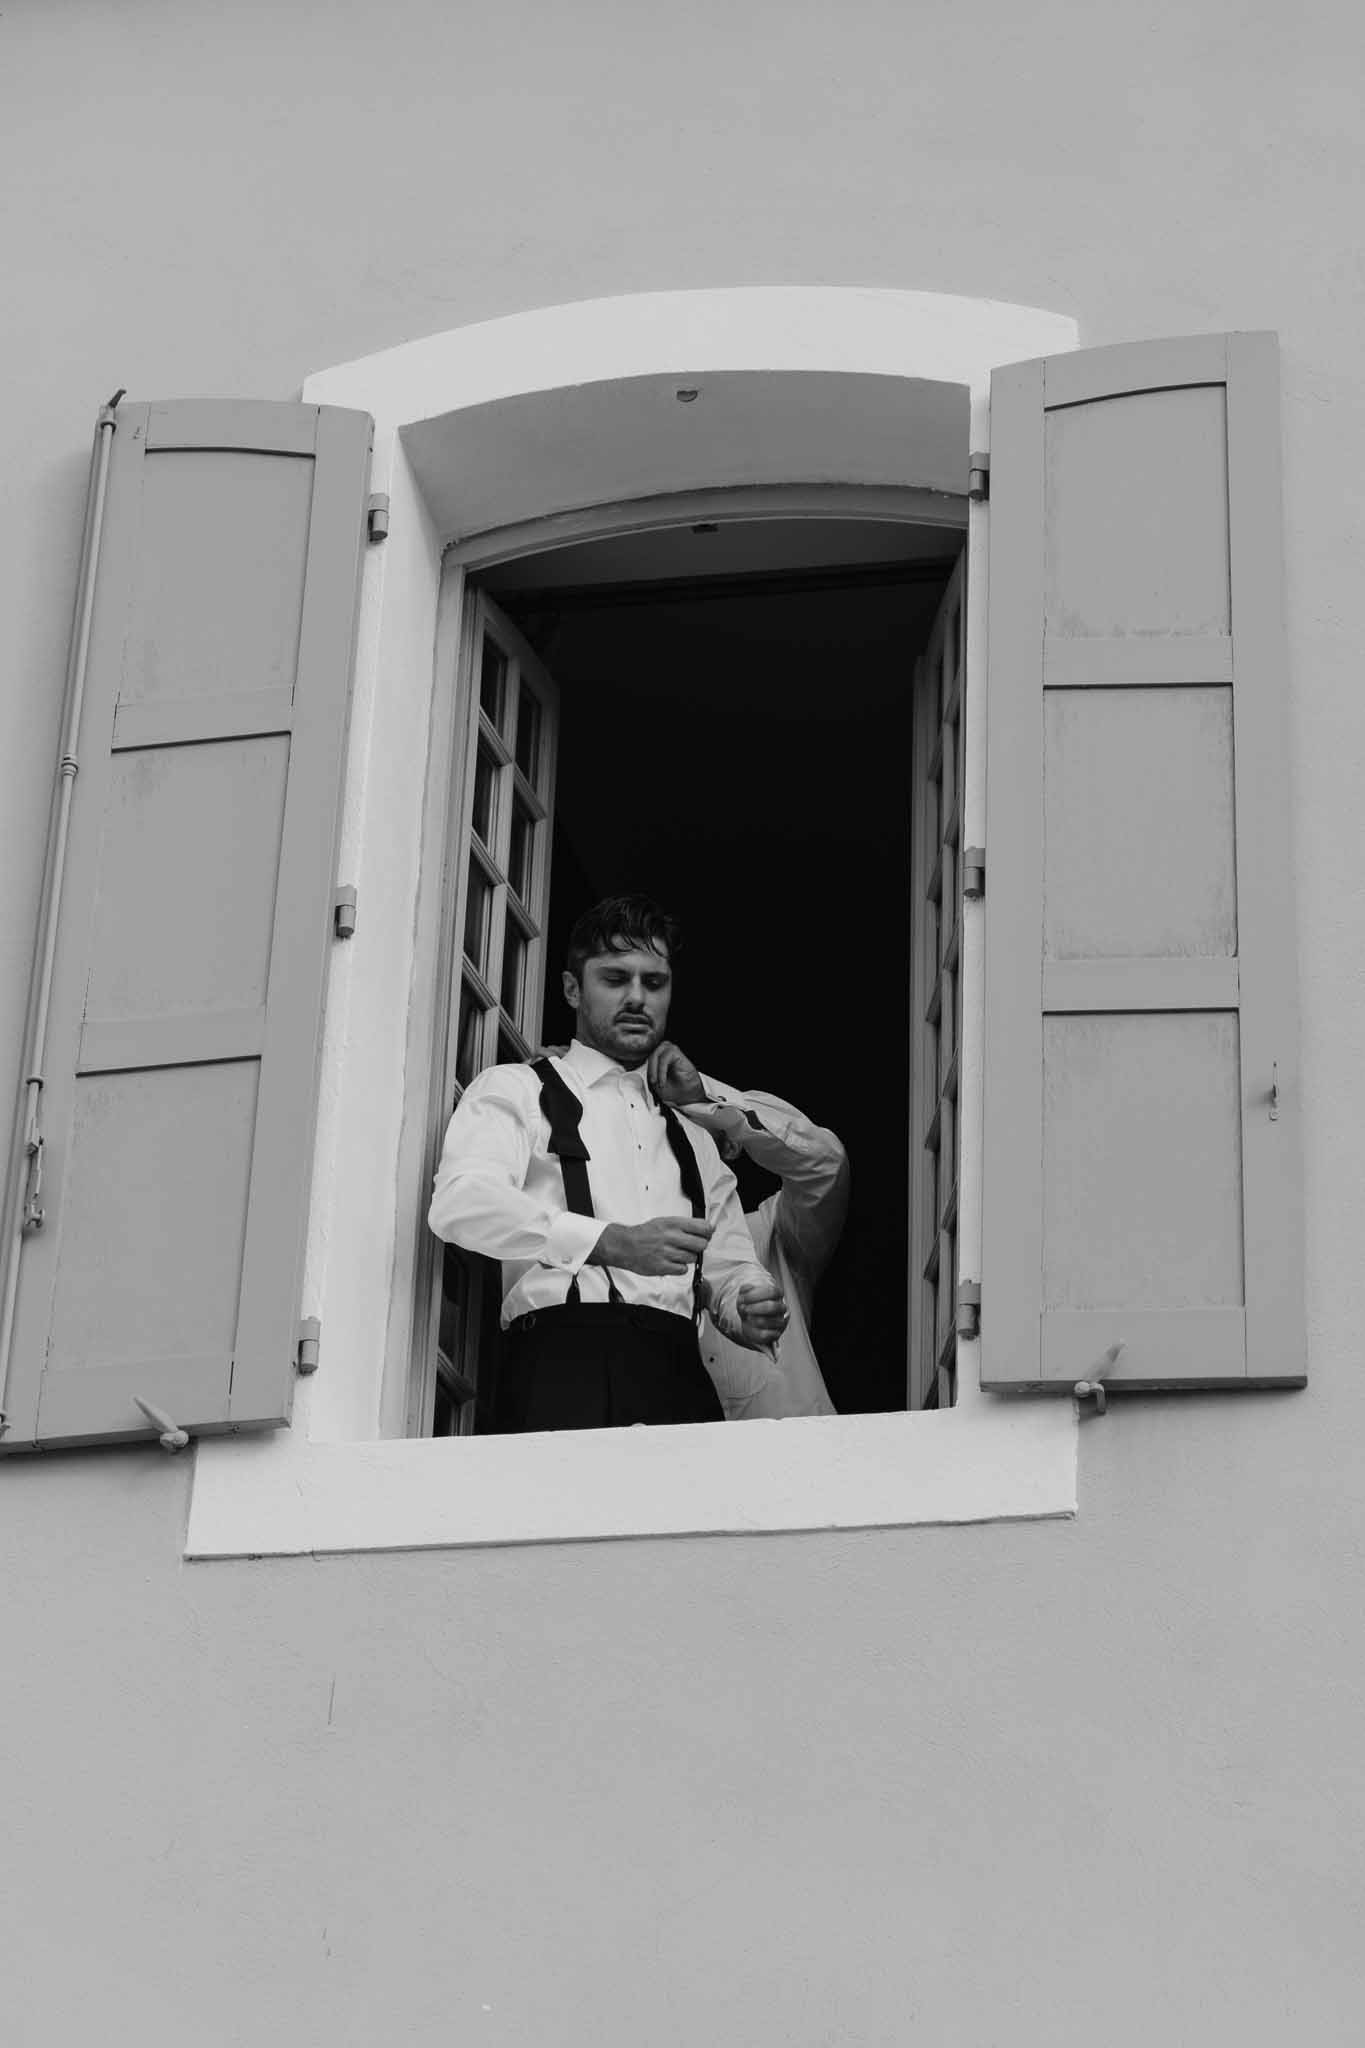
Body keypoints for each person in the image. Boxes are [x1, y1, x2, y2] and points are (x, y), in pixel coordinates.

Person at [427, 895, 787, 1433]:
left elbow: (728, 1265)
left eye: (654, 982)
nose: (637, 998)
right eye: (615, 979)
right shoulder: (518, 1088)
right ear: (573, 989)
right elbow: (461, 1203)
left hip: (679, 1376)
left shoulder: (694, 1134)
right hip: (560, 1366)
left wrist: (749, 1305)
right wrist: (610, 1242)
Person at [648, 1042, 848, 1420]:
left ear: (730, 1145)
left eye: (691, 1128)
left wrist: (702, 1095)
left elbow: (824, 1164)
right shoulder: (627, 1252)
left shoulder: (771, 1233)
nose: (680, 1143)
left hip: (800, 1469)